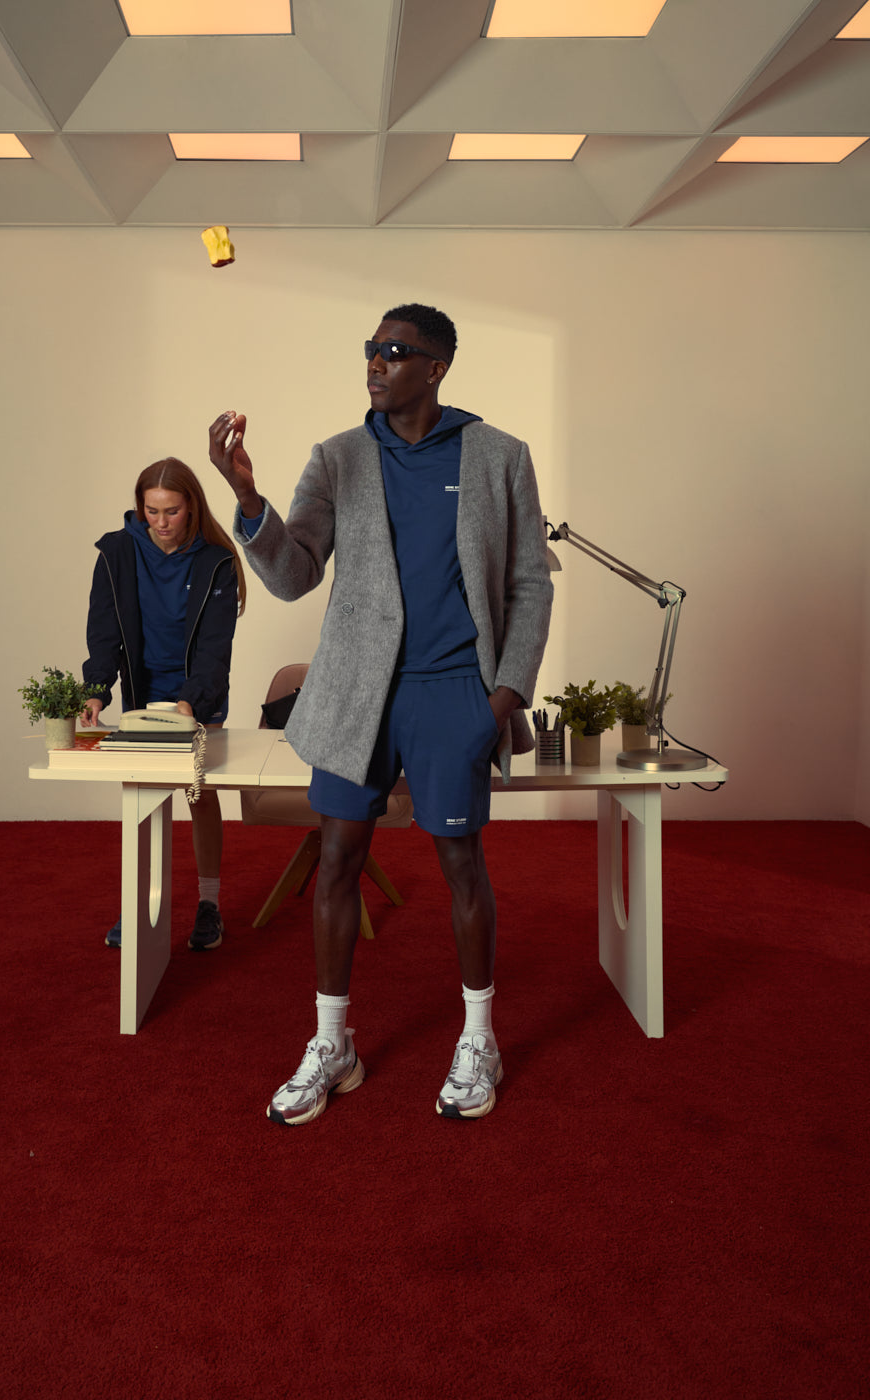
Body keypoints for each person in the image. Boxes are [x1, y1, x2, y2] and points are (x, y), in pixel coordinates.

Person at [209, 303, 553, 1124]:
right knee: (336, 859)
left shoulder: (500, 455)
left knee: (461, 864)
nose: (376, 362)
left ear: (436, 367)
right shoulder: (339, 458)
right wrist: (248, 498)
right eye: (371, 348)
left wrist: (501, 699)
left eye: (396, 351)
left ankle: (480, 1039)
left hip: (454, 693)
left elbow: (529, 583)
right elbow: (294, 574)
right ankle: (333, 1044)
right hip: (358, 690)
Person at [81, 456, 246, 950]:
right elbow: (104, 632)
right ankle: (138, 904)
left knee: (199, 794)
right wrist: (96, 690)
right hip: (143, 693)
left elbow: (215, 650)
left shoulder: (215, 561)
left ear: (190, 506)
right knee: (144, 797)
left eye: (171, 511)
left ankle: (209, 904)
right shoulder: (116, 553)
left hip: (199, 694)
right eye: (151, 511)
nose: (161, 522)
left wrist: (191, 703)